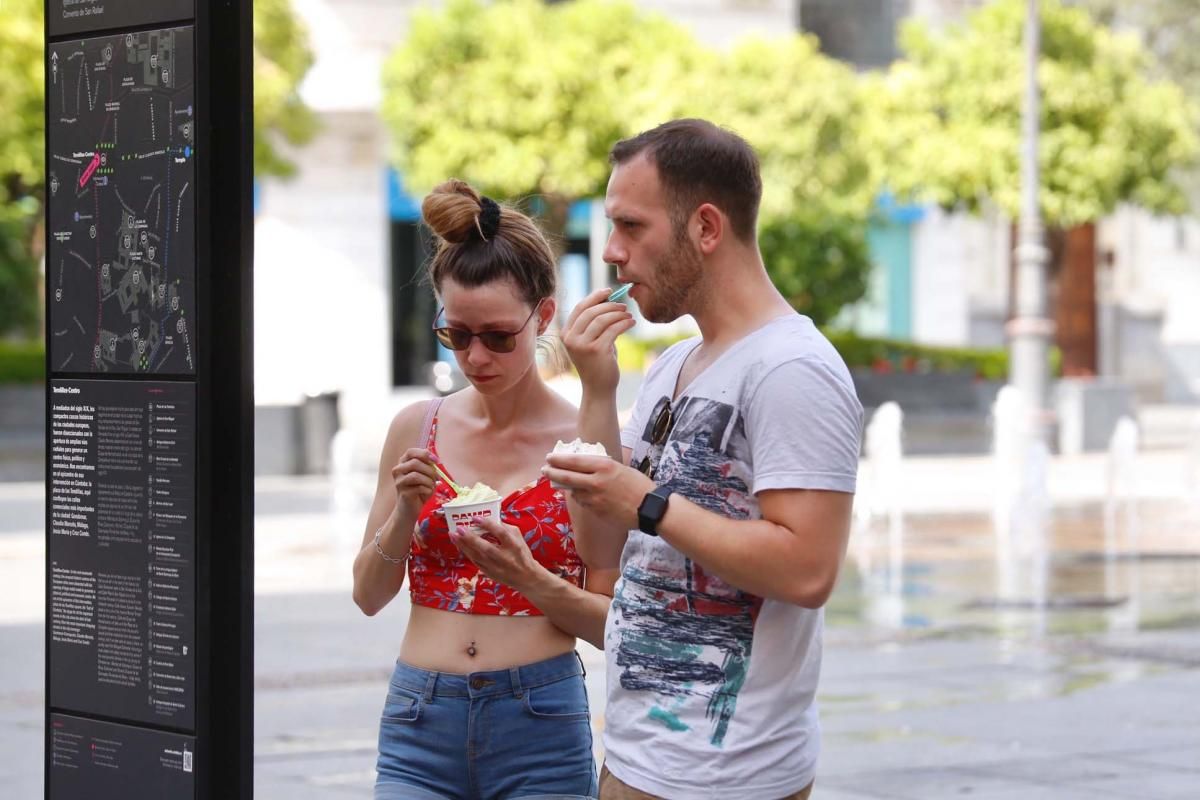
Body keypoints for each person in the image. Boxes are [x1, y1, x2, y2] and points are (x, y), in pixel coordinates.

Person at [546, 119, 864, 799]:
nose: (610, 252)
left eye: (632, 227)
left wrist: (650, 503)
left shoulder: (793, 368)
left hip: (726, 776)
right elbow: (603, 549)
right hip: (637, 756)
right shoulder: (670, 366)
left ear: (707, 228)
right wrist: (598, 390)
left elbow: (809, 570)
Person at [353, 179, 621, 800]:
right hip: (420, 719)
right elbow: (368, 596)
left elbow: (613, 618)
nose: (477, 356)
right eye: (457, 335)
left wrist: (527, 575)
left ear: (544, 316)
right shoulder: (419, 427)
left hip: (539, 719)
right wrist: (405, 518)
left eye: (499, 336)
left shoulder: (582, 437)